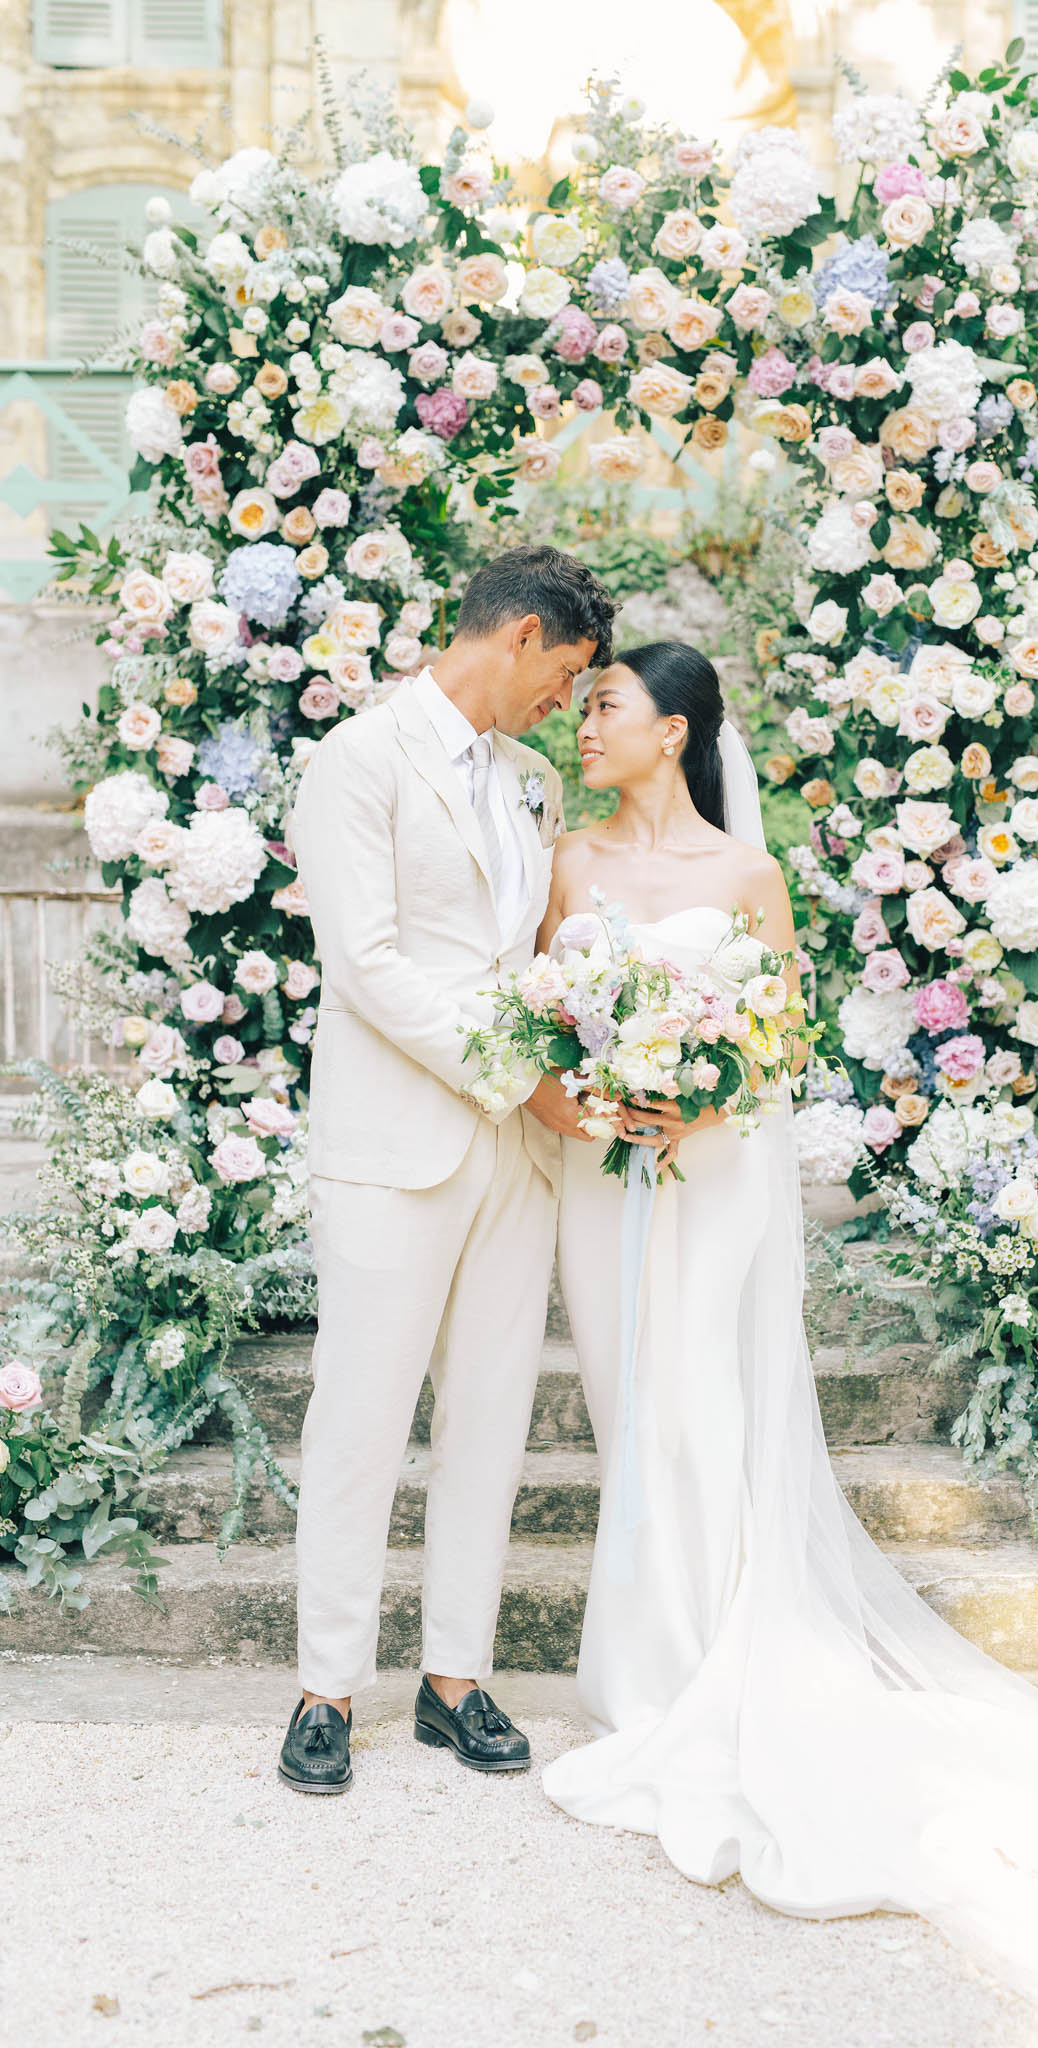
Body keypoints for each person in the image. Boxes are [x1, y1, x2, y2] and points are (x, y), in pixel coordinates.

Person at [535, 641, 1038, 2048]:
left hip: (716, 1169)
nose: (582, 724)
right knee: (632, 1402)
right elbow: (539, 1027)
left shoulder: (747, 879)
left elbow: (779, 1040)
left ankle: (702, 1665)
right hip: (602, 1169)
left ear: (670, 729)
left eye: (603, 705)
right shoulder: (564, 861)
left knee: (701, 1407)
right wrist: (597, 1102)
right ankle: (647, 1665)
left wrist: (701, 1094)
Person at [279, 544, 614, 1794]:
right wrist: (516, 1074)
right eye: (567, 675)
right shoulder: (357, 759)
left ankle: (454, 1678)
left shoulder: (532, 783)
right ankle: (327, 1683)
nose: (565, 708)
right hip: (391, 1144)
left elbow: (534, 956)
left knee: (489, 1415)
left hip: (515, 1154)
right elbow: (367, 968)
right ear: (520, 634)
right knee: (359, 1418)